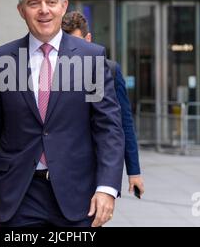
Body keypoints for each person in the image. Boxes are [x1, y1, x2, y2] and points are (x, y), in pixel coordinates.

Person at [0, 0, 125, 227]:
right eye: (34, 3)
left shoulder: (91, 59)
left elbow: (108, 128)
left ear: (63, 6)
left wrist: (107, 187)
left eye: (51, 2)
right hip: (18, 196)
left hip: (78, 196)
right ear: (21, 10)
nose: (44, 10)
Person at [62, 11, 144, 197]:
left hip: (97, 168)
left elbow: (124, 123)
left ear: (88, 38)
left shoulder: (110, 70)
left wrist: (134, 171)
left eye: (77, 42)